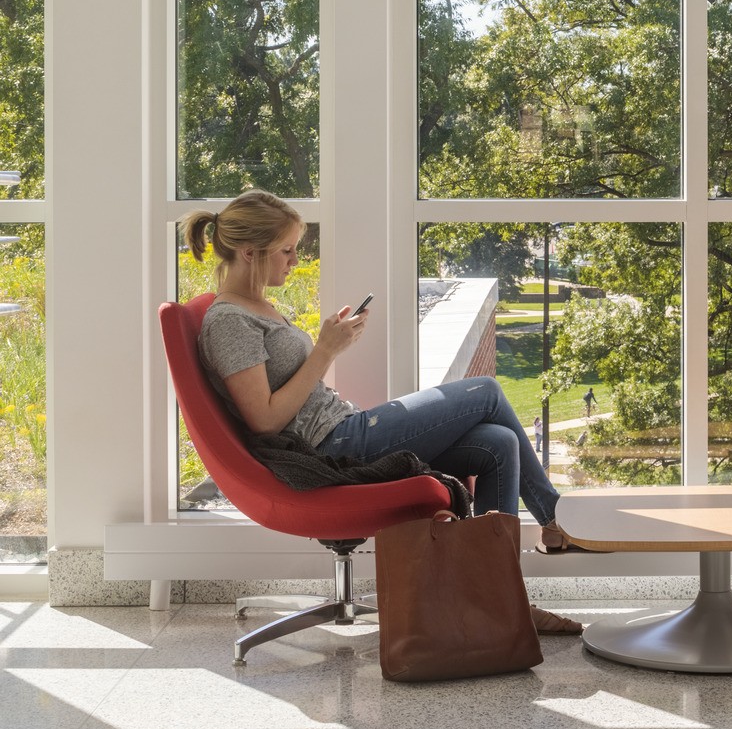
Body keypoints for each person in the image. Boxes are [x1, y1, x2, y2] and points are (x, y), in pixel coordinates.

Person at [183, 191, 580, 628]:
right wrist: (325, 350)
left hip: (344, 430)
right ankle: (559, 521)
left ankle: (498, 601)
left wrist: (327, 345)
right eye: (287, 250)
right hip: (332, 447)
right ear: (249, 252)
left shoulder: (255, 306)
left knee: (498, 443)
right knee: (485, 390)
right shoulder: (228, 321)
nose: (295, 260)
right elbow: (264, 419)